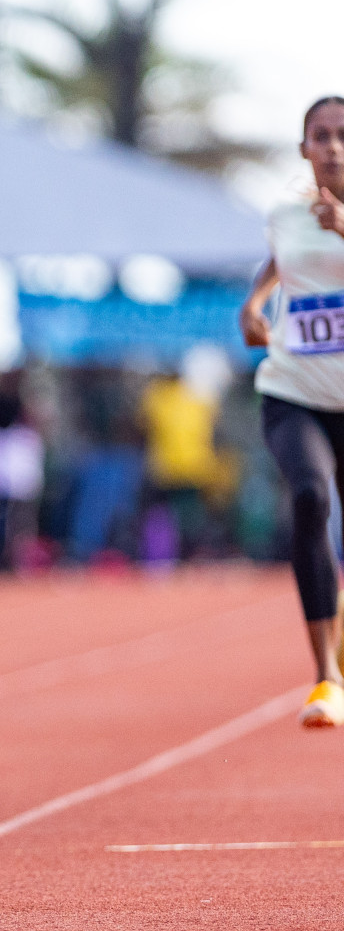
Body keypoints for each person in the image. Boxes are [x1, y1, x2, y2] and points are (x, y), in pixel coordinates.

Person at [239, 95, 344, 728]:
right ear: (303, 149)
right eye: (320, 136)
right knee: (309, 498)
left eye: (342, 135)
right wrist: (253, 305)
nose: (333, 146)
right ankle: (325, 676)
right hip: (294, 391)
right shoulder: (285, 210)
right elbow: (280, 259)